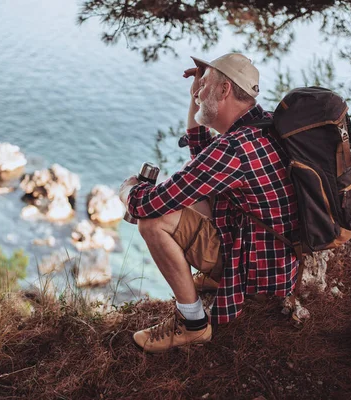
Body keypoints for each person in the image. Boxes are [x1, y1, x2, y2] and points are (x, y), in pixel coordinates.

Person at [118, 53, 299, 353]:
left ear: (225, 90)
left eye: (205, 85)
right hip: (277, 261)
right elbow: (200, 150)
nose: (199, 91)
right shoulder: (263, 127)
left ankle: (192, 324)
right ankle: (212, 284)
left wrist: (128, 191)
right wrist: (197, 97)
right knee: (194, 198)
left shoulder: (234, 149)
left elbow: (146, 206)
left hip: (255, 271)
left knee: (153, 221)